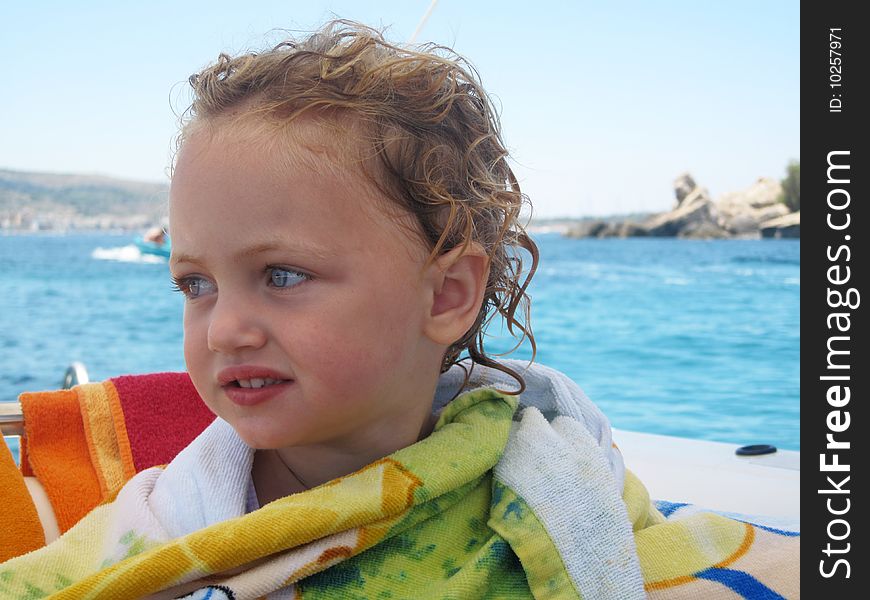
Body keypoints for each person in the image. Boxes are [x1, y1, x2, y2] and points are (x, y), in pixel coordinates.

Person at [0, 20, 798, 599]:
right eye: (195, 285)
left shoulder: (557, 470)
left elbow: (637, 559)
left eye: (279, 275)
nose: (224, 328)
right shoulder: (174, 517)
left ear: (446, 295)